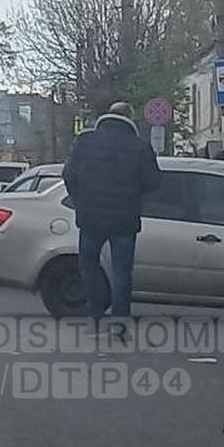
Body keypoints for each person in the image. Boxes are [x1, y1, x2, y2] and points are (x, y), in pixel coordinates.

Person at [62, 101, 161, 324]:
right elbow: (153, 182)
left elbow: (69, 175)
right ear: (130, 118)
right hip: (124, 219)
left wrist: (80, 202)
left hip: (90, 218)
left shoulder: (84, 142)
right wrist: (134, 191)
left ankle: (94, 314)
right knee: (121, 271)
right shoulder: (140, 146)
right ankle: (119, 320)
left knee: (88, 266)